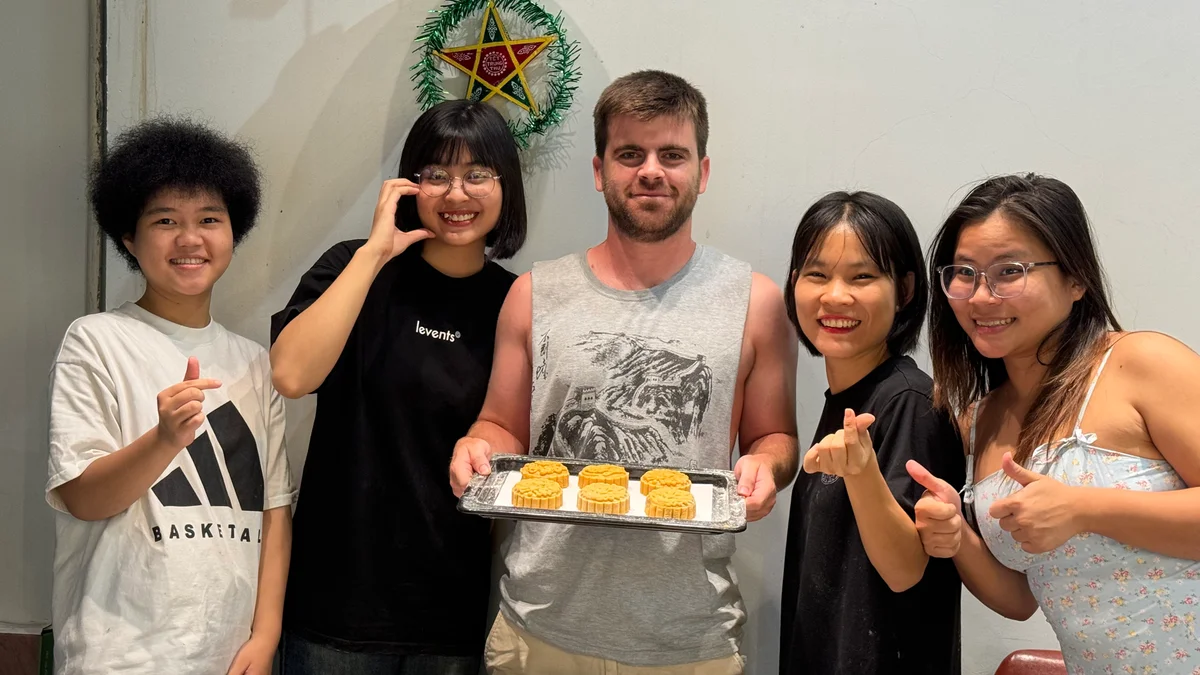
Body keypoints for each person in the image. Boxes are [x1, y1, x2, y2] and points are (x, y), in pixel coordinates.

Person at [449, 69, 799, 674]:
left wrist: (766, 466)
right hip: (539, 630)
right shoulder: (534, 294)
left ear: (703, 172)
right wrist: (476, 448)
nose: (651, 171)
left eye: (673, 154)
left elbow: (776, 439)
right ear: (599, 170)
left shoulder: (756, 302)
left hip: (691, 640)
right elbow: (500, 425)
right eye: (630, 154)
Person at [269, 99, 527, 674]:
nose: (456, 195)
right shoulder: (353, 267)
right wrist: (374, 253)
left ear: (506, 185)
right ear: (408, 185)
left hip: (451, 607)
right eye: (437, 175)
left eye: (477, 175)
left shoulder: (517, 301)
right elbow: (290, 375)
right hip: (336, 605)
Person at [909, 173, 1200, 673]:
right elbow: (1023, 597)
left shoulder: (1141, 362)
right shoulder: (978, 421)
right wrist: (958, 536)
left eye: (1009, 271)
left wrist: (1084, 508)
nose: (980, 297)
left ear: (1075, 278)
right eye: (964, 272)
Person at [47, 118, 295, 675]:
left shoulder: (255, 362)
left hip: (230, 653)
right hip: (122, 653)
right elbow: (84, 499)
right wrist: (164, 440)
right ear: (130, 239)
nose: (190, 238)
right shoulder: (96, 340)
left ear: (233, 232)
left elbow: (274, 510)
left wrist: (266, 635)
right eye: (165, 221)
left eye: (209, 219)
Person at [780, 191, 964, 674]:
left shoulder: (910, 404)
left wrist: (862, 474)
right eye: (817, 274)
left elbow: (906, 570)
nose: (835, 296)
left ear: (904, 290)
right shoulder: (849, 399)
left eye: (862, 276)